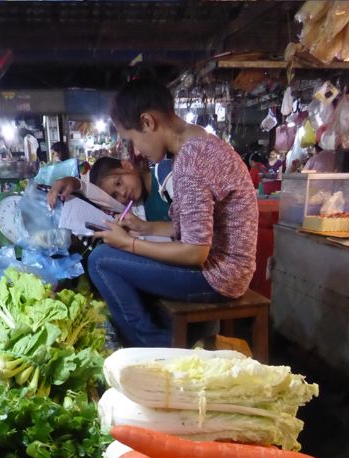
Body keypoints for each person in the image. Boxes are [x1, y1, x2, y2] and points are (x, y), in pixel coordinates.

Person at [83, 78, 258, 348]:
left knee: (100, 260)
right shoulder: (201, 142)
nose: (137, 150)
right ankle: (167, 340)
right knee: (110, 256)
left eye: (133, 140)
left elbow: (194, 252)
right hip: (229, 269)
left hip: (220, 276)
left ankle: (157, 347)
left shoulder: (191, 160)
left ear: (147, 122)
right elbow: (193, 230)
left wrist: (128, 244)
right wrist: (143, 228)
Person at [48, 155, 171, 221]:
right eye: (114, 196)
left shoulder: (166, 175)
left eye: (118, 183)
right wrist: (75, 184)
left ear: (127, 165)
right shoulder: (136, 210)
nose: (122, 193)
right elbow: (96, 197)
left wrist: (75, 182)